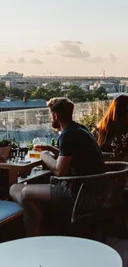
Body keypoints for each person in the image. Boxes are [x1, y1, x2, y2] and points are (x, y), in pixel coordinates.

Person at [10, 97, 104, 237]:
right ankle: (39, 222)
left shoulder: (67, 135)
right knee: (24, 195)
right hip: (96, 189)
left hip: (78, 194)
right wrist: (52, 149)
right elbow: (73, 155)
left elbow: (60, 171)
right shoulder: (79, 129)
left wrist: (44, 156)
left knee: (20, 191)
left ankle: (35, 232)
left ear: (55, 115)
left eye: (50, 114)